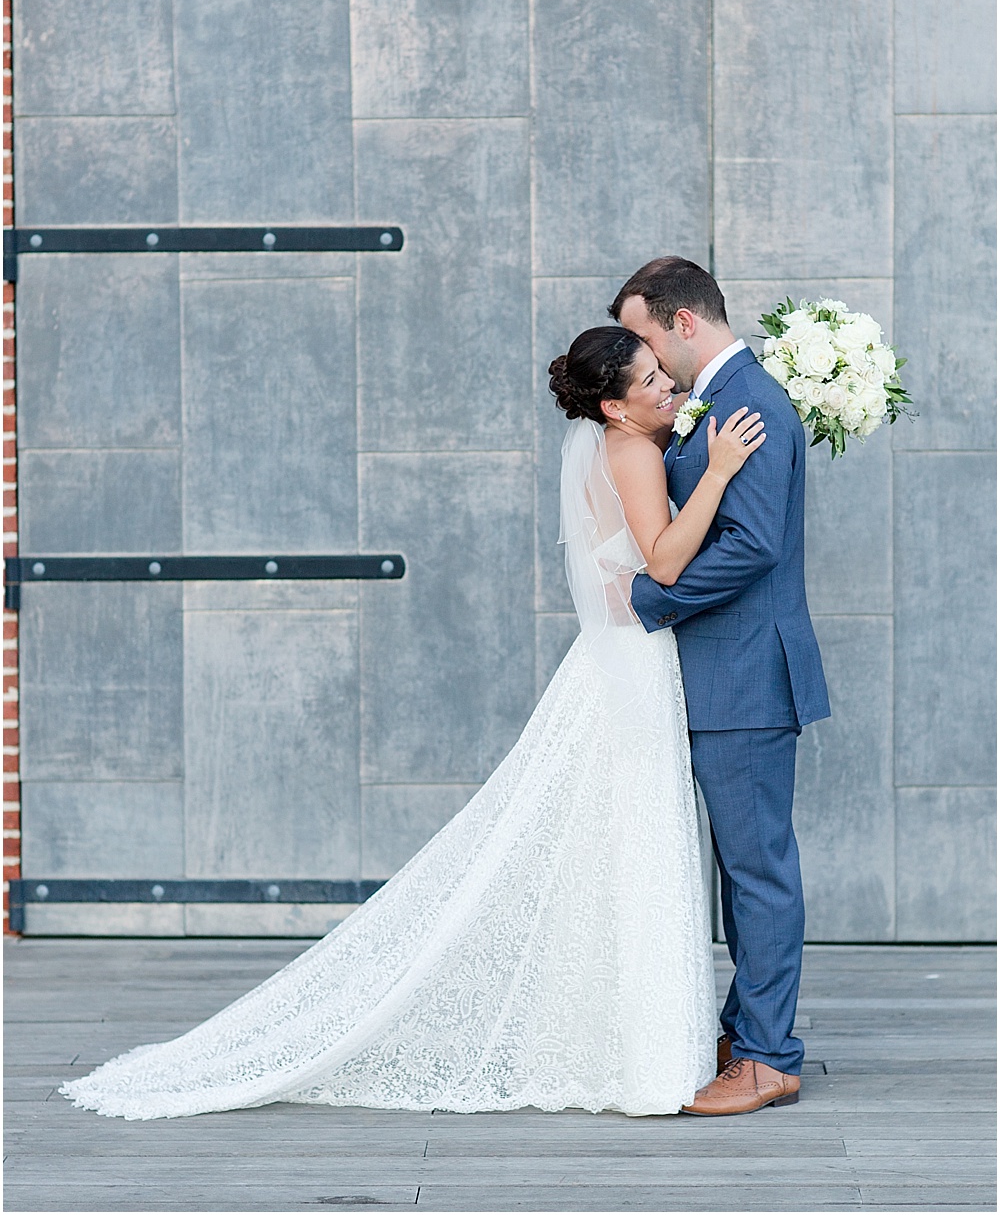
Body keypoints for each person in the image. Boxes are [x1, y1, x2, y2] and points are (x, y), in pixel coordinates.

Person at [60, 325, 763, 1122]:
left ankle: (628, 1039)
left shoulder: (623, 440)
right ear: (613, 405)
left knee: (614, 842)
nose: (668, 386)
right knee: (632, 840)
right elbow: (664, 562)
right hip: (633, 668)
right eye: (652, 383)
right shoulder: (631, 452)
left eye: (663, 375)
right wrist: (723, 471)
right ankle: (638, 1049)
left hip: (626, 660)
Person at [610, 255, 830, 1116]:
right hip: (721, 675)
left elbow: (752, 545)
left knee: (758, 871)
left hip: (744, 675)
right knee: (741, 870)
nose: (645, 359)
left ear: (685, 322)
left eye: (644, 337)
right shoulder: (716, 399)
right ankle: (746, 1030)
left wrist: (650, 598)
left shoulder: (750, 402)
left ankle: (770, 1057)